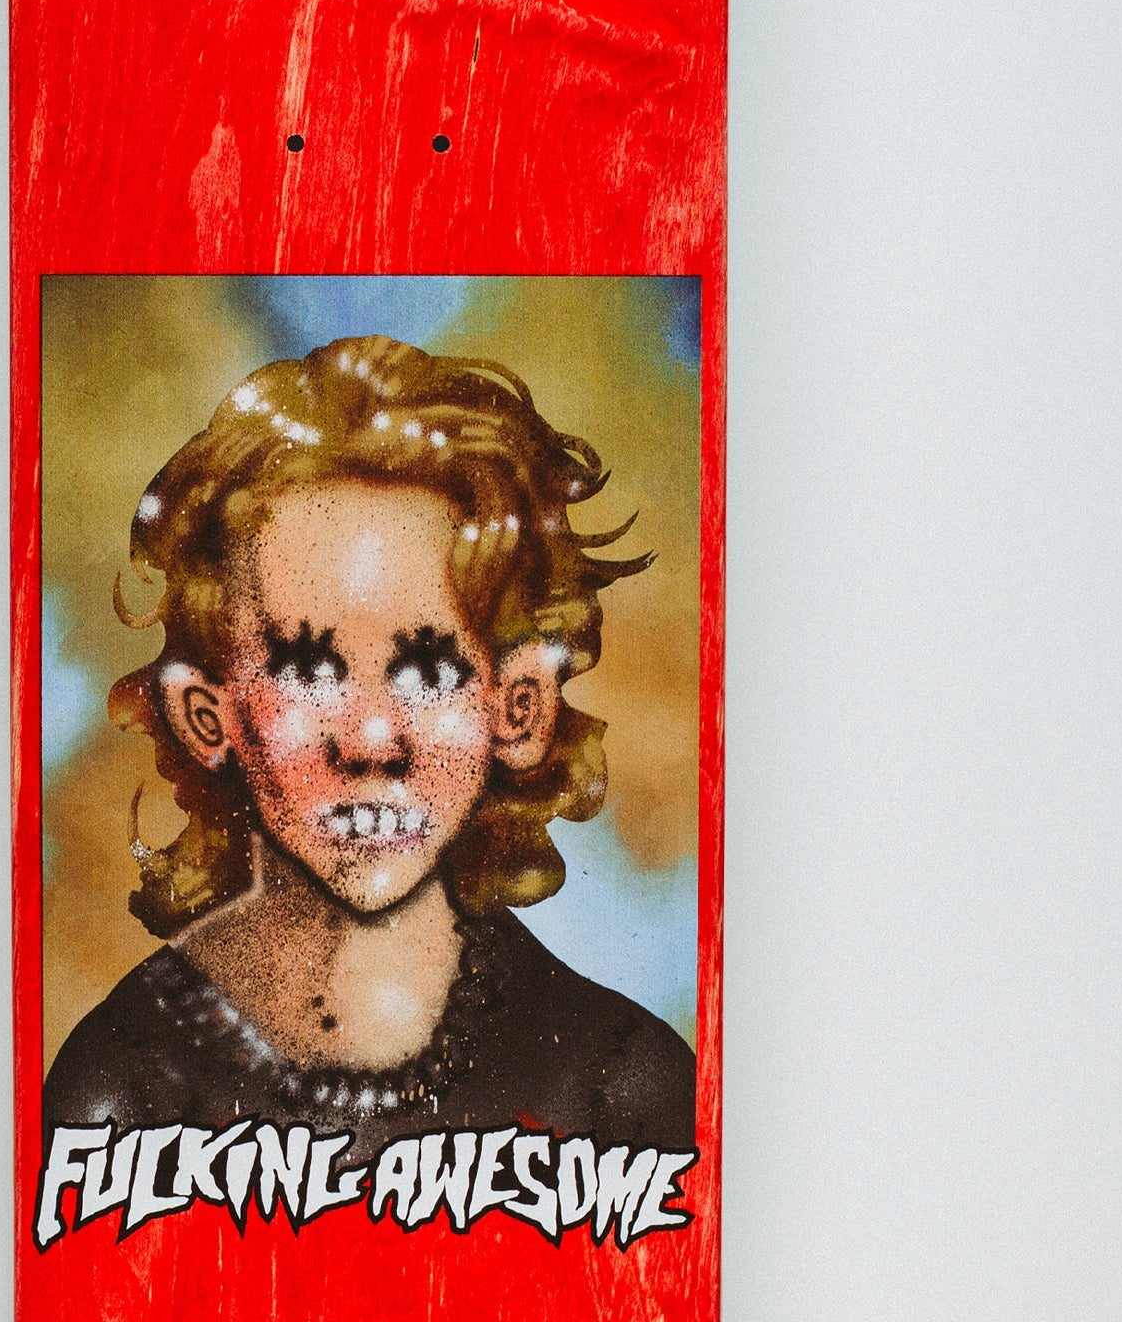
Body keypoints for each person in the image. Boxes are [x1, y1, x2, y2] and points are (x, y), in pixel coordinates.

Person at [43, 334, 694, 1159]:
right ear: (208, 716)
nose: (372, 738)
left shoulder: (619, 1093)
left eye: (428, 669)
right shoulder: (123, 1096)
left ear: (518, 707)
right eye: (308, 669)